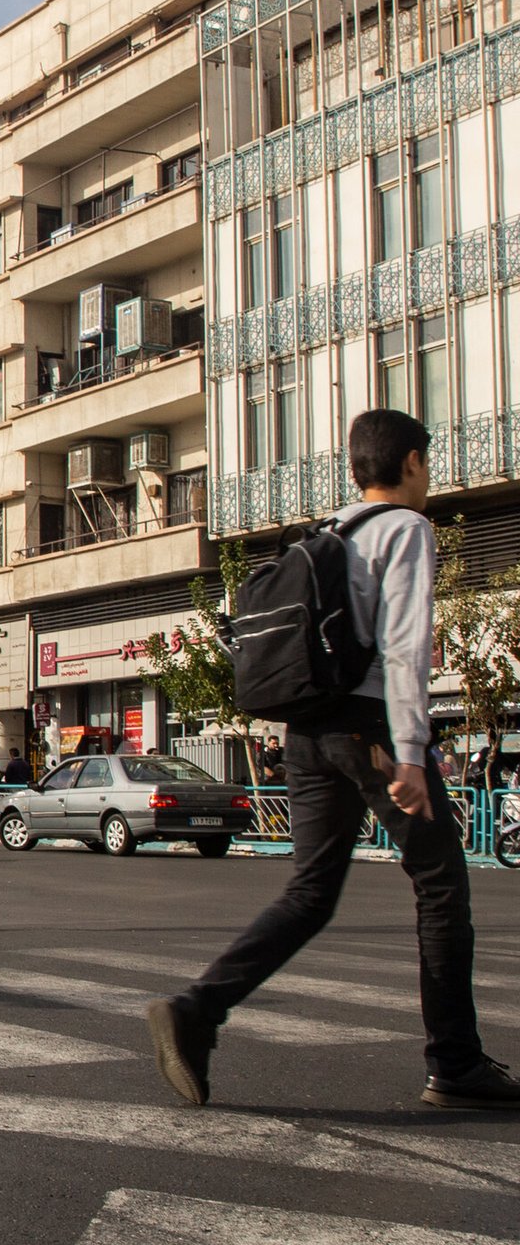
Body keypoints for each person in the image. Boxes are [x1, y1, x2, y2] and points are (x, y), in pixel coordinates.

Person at [148, 410, 520, 1111]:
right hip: (370, 726)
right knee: (441, 884)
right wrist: (409, 755)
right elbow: (405, 649)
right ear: (413, 462)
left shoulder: (328, 531)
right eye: (427, 463)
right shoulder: (405, 528)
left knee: (311, 892)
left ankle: (198, 1008)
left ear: (353, 469)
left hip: (306, 730)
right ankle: (455, 1063)